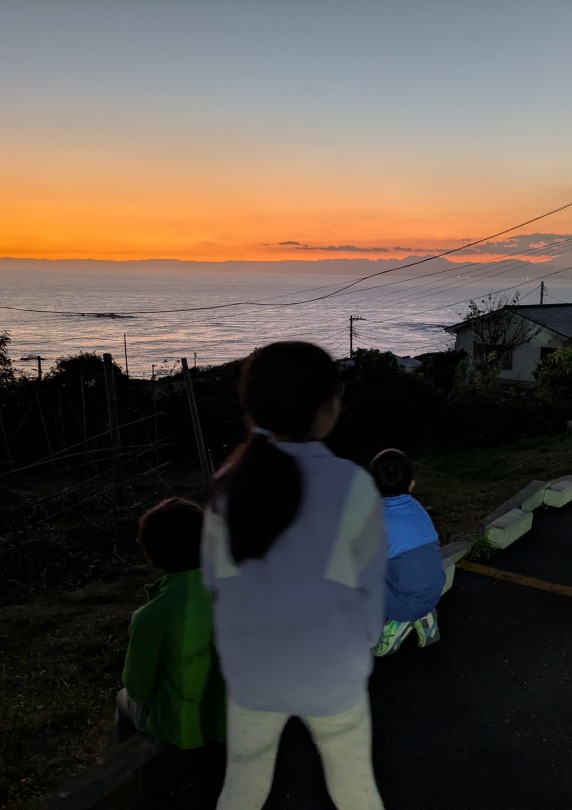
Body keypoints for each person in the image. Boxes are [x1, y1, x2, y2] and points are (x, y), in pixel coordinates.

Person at [202, 341, 386, 810]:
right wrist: (359, 650)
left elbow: (215, 584)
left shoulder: (227, 486)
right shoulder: (353, 485)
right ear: (325, 408)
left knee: (243, 788)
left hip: (251, 672)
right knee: (354, 787)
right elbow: (369, 594)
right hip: (332, 671)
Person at [116, 498, 226, 749]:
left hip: (185, 730)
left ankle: (123, 764)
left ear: (150, 553)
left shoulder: (150, 617)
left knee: (123, 700)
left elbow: (138, 690)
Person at [369, 448, 444, 656]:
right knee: (404, 565)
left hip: (404, 602)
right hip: (435, 589)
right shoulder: (417, 508)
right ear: (411, 484)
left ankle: (398, 622)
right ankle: (424, 615)